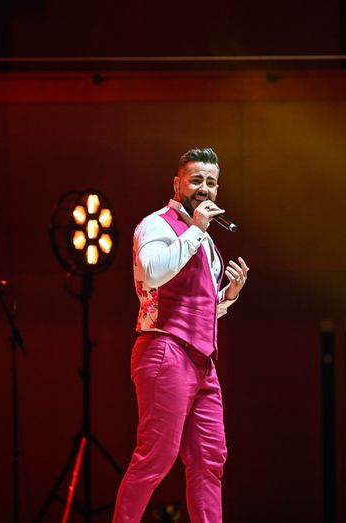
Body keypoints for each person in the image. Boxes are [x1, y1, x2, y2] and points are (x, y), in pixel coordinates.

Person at [113, 148, 249, 523]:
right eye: (196, 180)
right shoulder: (157, 225)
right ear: (177, 184)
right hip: (165, 351)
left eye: (211, 183)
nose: (204, 189)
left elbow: (196, 305)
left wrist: (228, 296)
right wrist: (196, 231)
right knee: (155, 458)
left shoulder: (204, 240)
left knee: (209, 459)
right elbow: (153, 272)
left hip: (202, 361)